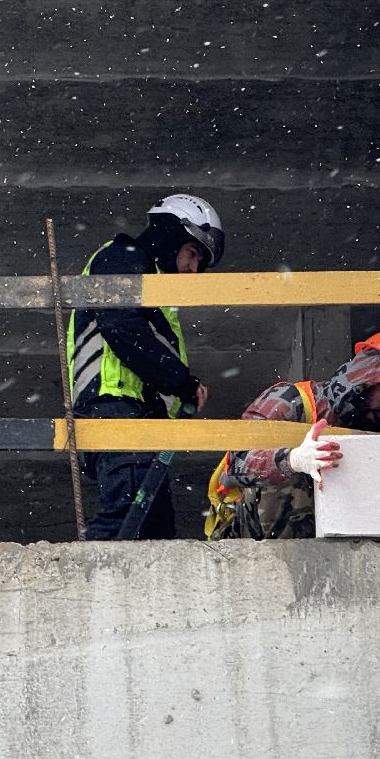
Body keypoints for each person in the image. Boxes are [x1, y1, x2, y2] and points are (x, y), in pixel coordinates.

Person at [68, 194, 225, 540]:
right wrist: (181, 381)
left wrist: (180, 386)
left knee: (153, 527)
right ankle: (85, 585)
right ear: (170, 236)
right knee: (128, 516)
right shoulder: (120, 258)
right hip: (113, 407)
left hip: (134, 415)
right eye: (193, 254)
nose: (192, 269)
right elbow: (122, 328)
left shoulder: (149, 287)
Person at [206, 329, 380, 540]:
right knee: (288, 474)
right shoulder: (289, 401)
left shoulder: (370, 434)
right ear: (367, 376)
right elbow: (238, 464)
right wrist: (292, 460)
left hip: (324, 542)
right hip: (247, 536)